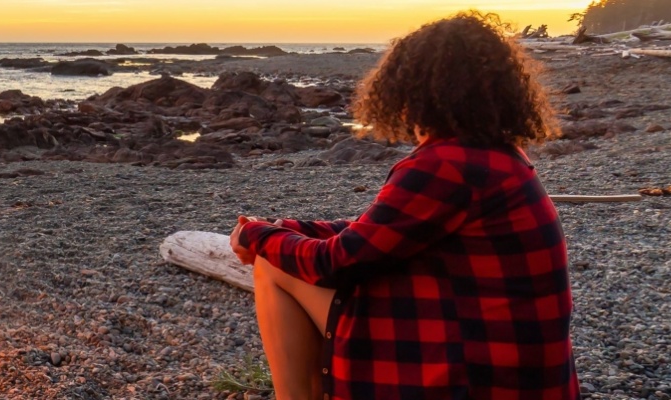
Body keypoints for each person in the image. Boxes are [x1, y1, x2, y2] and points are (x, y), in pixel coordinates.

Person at [229, 12, 578, 400]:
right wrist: (287, 227)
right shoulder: (496, 154)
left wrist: (257, 236)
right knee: (284, 254)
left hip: (476, 378)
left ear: (416, 92)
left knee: (272, 265)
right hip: (518, 370)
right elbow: (380, 231)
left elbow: (337, 263)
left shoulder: (446, 164)